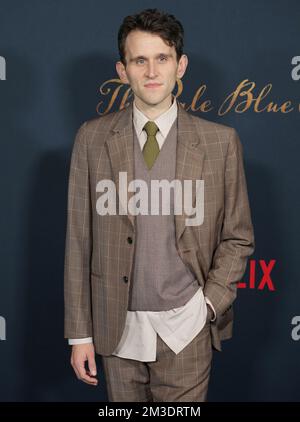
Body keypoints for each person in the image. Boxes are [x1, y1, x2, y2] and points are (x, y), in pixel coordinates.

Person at [64, 8, 255, 402]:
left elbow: (238, 237)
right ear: (123, 70)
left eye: (162, 58)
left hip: (186, 329)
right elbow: (79, 241)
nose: (152, 71)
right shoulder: (92, 139)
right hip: (116, 328)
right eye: (140, 60)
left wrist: (206, 307)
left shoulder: (221, 143)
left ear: (180, 65)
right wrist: (80, 333)